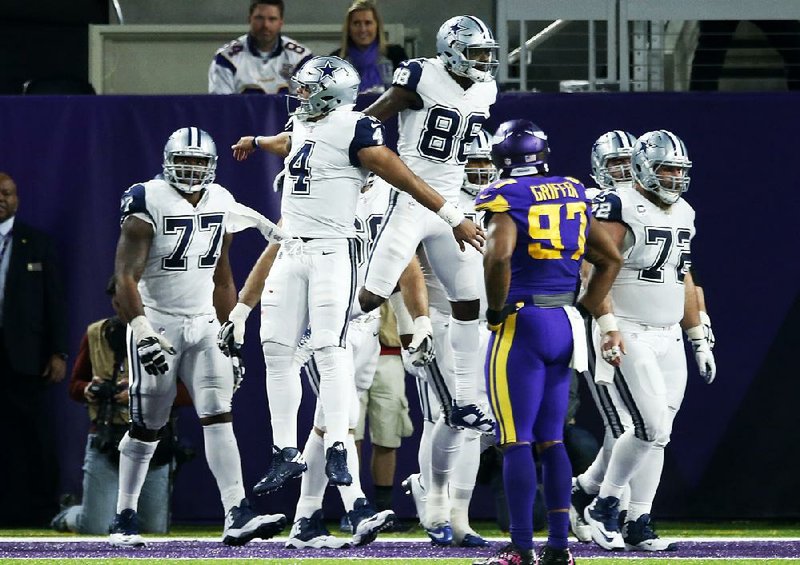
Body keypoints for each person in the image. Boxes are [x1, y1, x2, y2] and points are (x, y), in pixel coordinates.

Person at [223, 56, 482, 500]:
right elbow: (294, 141)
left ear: (330, 95)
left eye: (307, 89)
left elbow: (405, 177)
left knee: (329, 346)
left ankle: (340, 444)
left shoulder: (355, 128)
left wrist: (452, 214)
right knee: (275, 350)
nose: (299, 96)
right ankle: (284, 449)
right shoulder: (311, 124)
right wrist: (258, 140)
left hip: (330, 252)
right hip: (293, 249)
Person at [353, 15, 499, 541]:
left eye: (488, 53)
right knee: (372, 290)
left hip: (450, 199)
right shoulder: (419, 74)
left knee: (469, 298)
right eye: (476, 52)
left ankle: (466, 393)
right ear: (451, 50)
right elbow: (370, 119)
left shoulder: (485, 88)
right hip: (409, 191)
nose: (485, 63)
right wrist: (353, 158)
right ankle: (327, 334)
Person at [109, 126, 287, 547]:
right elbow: (124, 277)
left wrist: (231, 328)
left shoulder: (221, 199)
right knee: (148, 424)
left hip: (205, 321)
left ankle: (236, 513)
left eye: (199, 162)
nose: (191, 169)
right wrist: (142, 331)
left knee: (217, 412)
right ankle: (124, 515)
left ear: (211, 166)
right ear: (168, 161)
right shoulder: (146, 197)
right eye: (184, 161)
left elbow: (221, 275)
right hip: (159, 321)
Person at [472, 119, 624, 565]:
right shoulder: (573, 189)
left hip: (523, 321)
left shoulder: (505, 196)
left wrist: (496, 310)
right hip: (564, 321)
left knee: (515, 440)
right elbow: (609, 257)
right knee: (552, 440)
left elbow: (498, 256)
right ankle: (559, 548)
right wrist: (587, 306)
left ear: (501, 156)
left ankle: (521, 548)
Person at [582, 130, 716, 552]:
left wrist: (698, 335)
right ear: (643, 167)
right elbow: (591, 271)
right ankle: (602, 505)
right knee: (648, 425)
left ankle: (638, 518)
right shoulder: (618, 204)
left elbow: (683, 276)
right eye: (666, 169)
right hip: (627, 327)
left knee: (661, 433)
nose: (675, 178)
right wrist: (607, 326)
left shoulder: (686, 212)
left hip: (668, 332)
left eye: (680, 170)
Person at [401, 130, 498, 548]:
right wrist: (418, 321)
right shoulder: (434, 200)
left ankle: (460, 516)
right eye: (471, 161)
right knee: (448, 416)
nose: (478, 169)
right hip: (440, 322)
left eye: (484, 162)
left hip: (482, 327)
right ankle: (433, 495)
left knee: (475, 425)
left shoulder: (503, 202)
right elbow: (406, 265)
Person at [50, 276, 192, 534]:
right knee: (94, 528)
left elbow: (190, 393)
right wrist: (90, 389)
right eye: (118, 302)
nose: (123, 308)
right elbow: (74, 386)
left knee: (153, 530)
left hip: (154, 441)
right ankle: (71, 514)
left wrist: (143, 391)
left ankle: (90, 509)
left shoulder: (173, 332)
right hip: (106, 436)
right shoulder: (97, 333)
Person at [0, 172, 67, 527]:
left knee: (33, 437)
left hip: (25, 356)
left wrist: (58, 352)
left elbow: (53, 301)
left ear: (17, 199)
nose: (1, 198)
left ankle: (40, 509)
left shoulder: (37, 243)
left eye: (7, 193)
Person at [209, 0, 313, 94]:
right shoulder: (226, 58)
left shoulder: (300, 58)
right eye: (259, 18)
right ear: (249, 19)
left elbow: (306, 107)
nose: (265, 25)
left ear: (281, 22)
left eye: (272, 19)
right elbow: (222, 108)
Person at [333, 0, 409, 94]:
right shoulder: (336, 60)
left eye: (368, 23)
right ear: (348, 28)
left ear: (377, 26)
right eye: (356, 23)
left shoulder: (396, 55)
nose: (362, 29)